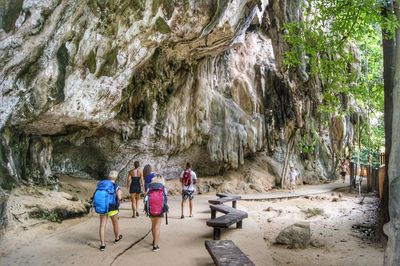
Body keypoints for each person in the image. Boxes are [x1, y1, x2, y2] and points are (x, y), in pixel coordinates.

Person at [97, 171, 122, 251]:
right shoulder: (115, 185)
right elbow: (119, 197)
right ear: (116, 178)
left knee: (102, 225)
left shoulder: (102, 184)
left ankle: (102, 244)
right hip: (112, 207)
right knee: (115, 224)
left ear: (108, 177)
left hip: (103, 206)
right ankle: (117, 238)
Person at [145, 174, 168, 252]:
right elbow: (165, 199)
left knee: (153, 225)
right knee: (157, 227)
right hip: (160, 210)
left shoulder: (150, 187)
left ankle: (154, 240)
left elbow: (145, 197)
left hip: (151, 209)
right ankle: (155, 246)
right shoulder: (163, 188)